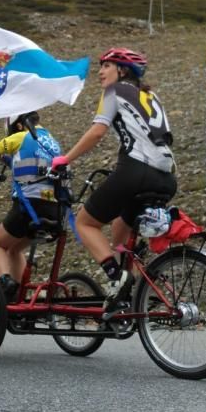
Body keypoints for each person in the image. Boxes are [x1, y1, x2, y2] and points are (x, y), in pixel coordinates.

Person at [50, 48, 176, 316]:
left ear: (122, 70)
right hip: (166, 177)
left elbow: (97, 132)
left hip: (136, 170)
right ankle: (124, 292)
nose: (99, 71)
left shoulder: (114, 91)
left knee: (85, 222)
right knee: (120, 226)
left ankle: (115, 275)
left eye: (106, 65)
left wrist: (65, 159)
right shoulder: (151, 95)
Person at [0, 111, 62, 302]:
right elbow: (30, 167)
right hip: (54, 208)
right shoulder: (52, 142)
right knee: (15, 249)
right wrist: (7, 160)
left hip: (29, 205)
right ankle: (19, 295)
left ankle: (6, 283)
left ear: (18, 125)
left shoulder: (21, 136)